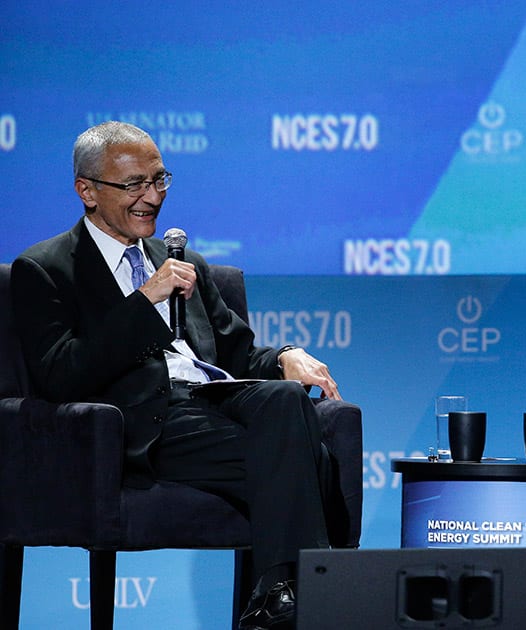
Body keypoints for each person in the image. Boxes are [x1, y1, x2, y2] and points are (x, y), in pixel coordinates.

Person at [11, 121, 345, 630]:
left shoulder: (181, 261)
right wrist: (145, 301)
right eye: (133, 185)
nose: (151, 197)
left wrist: (286, 357)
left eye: (159, 179)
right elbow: (61, 374)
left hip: (213, 401)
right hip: (142, 421)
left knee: (284, 399)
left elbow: (238, 352)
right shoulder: (46, 269)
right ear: (87, 191)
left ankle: (281, 594)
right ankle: (306, 592)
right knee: (311, 457)